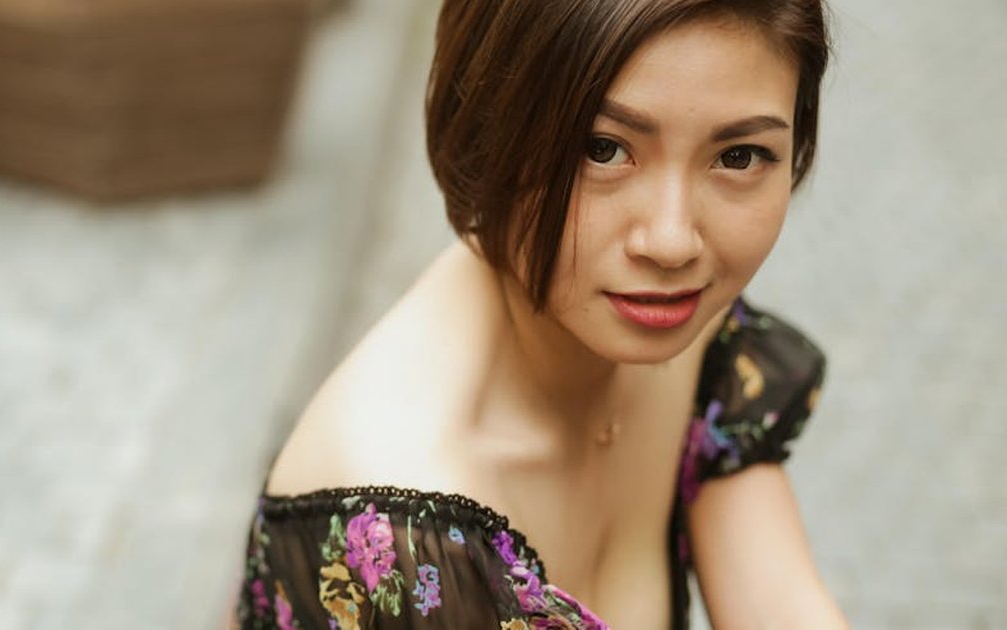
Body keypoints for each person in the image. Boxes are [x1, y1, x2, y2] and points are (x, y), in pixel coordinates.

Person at [232, 0, 848, 627]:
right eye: (602, 149)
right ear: (483, 127)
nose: (671, 242)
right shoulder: (414, 526)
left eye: (739, 156)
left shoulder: (689, 344)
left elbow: (781, 605)